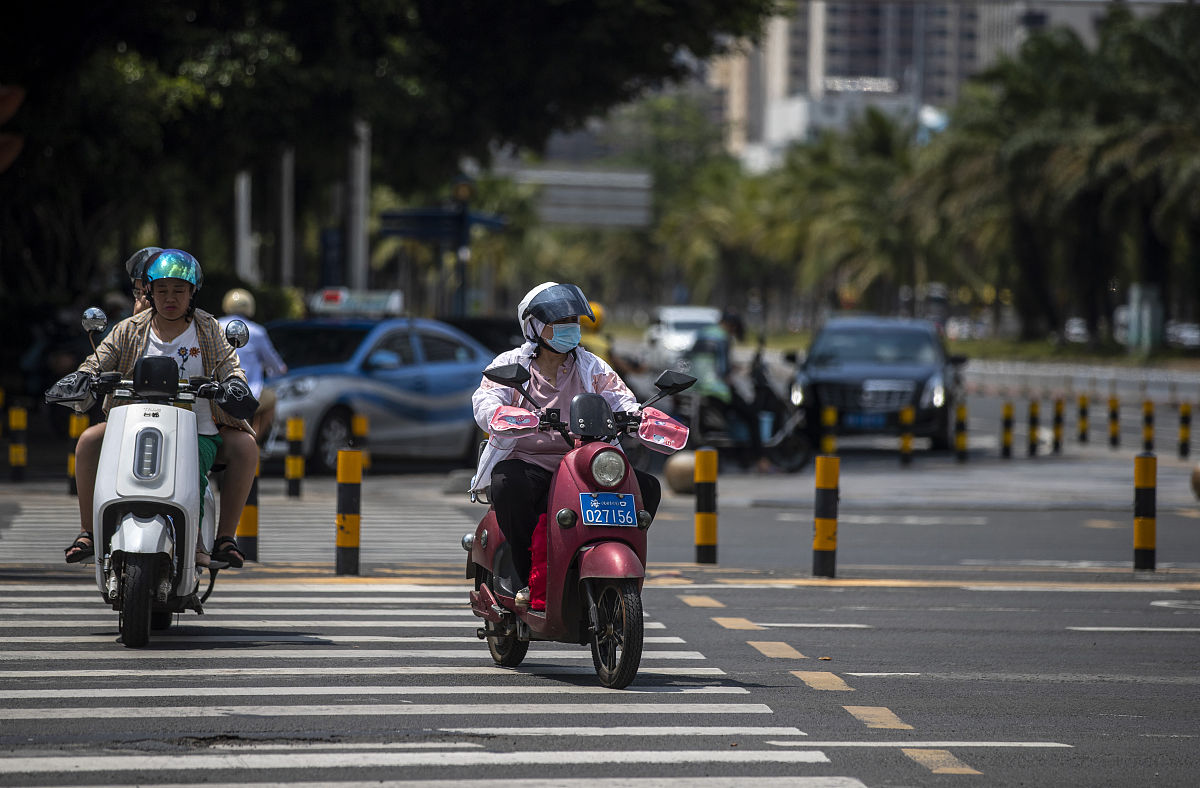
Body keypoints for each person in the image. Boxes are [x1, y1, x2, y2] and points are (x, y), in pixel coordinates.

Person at [53, 249, 259, 568]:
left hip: (196, 430)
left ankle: (219, 539)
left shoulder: (209, 329)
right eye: (162, 290)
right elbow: (99, 358)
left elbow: (231, 366)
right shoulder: (130, 328)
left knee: (243, 447)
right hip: (131, 424)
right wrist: (84, 375)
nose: (170, 298)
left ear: (192, 292)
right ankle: (88, 533)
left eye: (179, 290)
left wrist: (233, 383)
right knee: (88, 442)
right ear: (149, 292)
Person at [470, 282, 662, 608]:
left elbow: (622, 400)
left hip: (583, 466)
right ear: (533, 326)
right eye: (559, 321)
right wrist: (508, 415)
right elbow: (485, 401)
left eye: (573, 320)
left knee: (646, 487)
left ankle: (601, 564)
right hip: (530, 464)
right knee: (507, 484)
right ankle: (523, 572)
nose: (569, 328)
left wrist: (634, 418)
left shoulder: (593, 367)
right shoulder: (511, 365)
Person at [688, 309, 770, 471]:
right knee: (752, 416)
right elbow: (723, 370)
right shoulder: (723, 338)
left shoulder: (704, 333)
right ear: (731, 326)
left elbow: (703, 362)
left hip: (696, 387)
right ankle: (761, 459)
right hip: (717, 390)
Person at [218, 288, 287, 440]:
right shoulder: (257, 331)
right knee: (272, 399)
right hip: (248, 392)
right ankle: (254, 440)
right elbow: (275, 364)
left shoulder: (215, 326)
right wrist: (280, 369)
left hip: (218, 391)